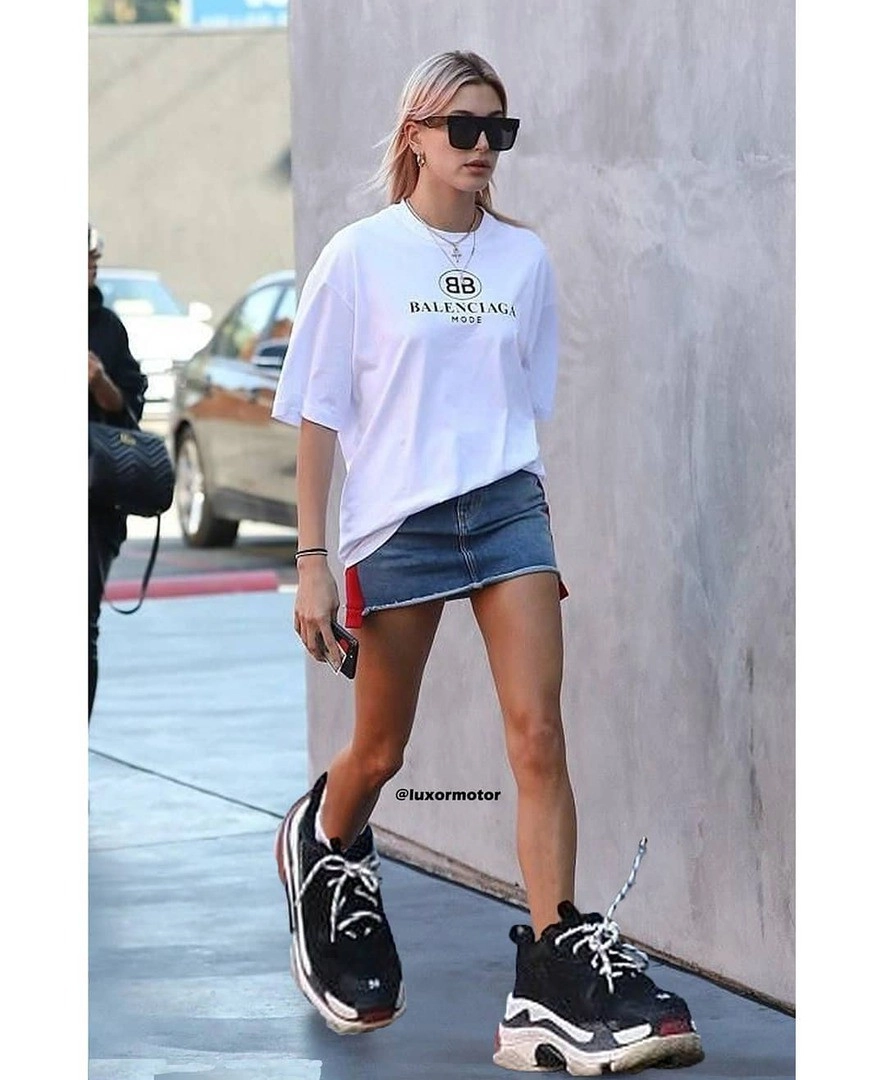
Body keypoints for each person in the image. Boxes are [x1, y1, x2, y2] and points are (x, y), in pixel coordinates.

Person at [271, 51, 704, 1074]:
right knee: (380, 752)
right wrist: (312, 559)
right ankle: (325, 842)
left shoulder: (526, 261)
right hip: (399, 523)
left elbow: (516, 401)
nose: (481, 149)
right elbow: (319, 414)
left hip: (508, 506)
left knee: (538, 732)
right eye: (461, 129)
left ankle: (551, 966)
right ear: (414, 134)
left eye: (496, 132)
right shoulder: (359, 257)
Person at [88, 224, 147, 720]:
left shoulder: (106, 327)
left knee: (80, 628)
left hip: (93, 504)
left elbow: (129, 413)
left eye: (94, 257)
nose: (92, 265)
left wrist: (98, 379)